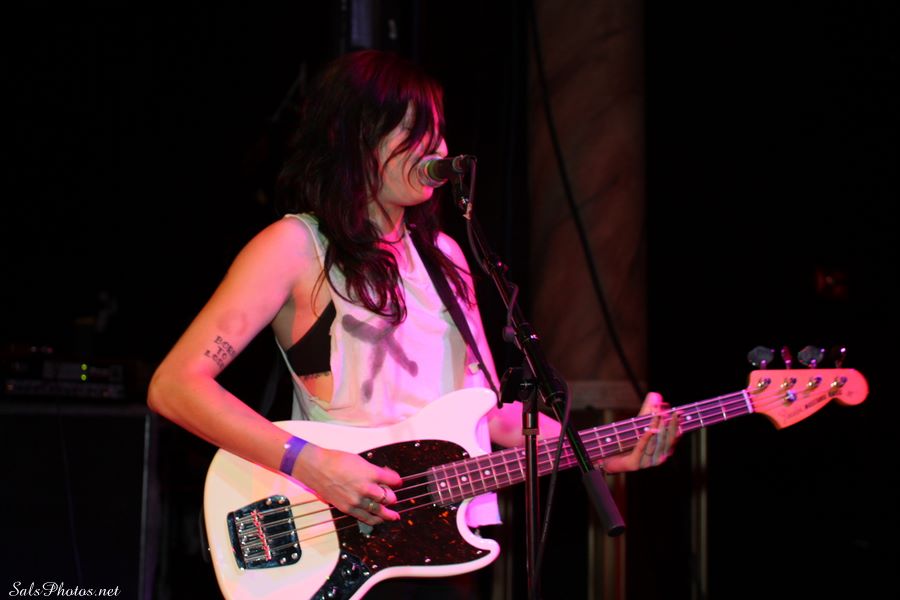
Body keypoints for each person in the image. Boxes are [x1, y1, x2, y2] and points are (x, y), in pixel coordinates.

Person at [147, 49, 680, 599]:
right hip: (334, 536)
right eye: (413, 131)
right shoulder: (296, 245)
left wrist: (605, 450)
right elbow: (175, 386)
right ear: (353, 137)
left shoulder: (445, 257)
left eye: (439, 132)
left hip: (438, 545)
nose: (439, 150)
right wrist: (312, 464)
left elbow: (488, 413)